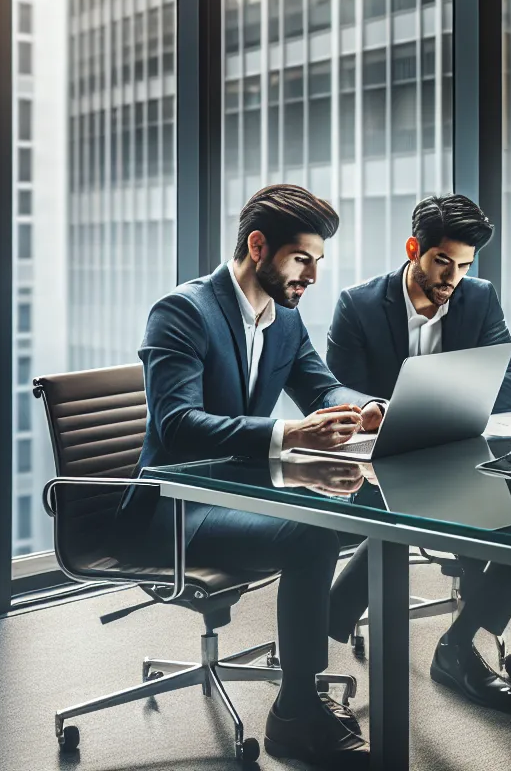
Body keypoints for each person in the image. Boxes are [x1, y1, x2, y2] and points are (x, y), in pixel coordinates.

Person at [119, 184, 384, 769]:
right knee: (311, 534)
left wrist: (369, 407)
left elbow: (321, 386)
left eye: (319, 262)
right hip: (175, 503)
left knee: (369, 512)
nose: (312, 275)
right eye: (302, 259)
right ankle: (295, 711)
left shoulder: (282, 318)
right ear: (258, 246)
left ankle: (313, 650)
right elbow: (179, 424)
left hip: (245, 488)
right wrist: (289, 434)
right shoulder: (183, 312)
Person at [322, 193, 511, 712]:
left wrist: (435, 398)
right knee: (487, 520)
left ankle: (454, 645)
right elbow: (330, 390)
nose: (452, 278)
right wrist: (379, 407)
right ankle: (357, 615)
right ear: (414, 248)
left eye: (463, 265)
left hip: (453, 455)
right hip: (379, 465)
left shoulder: (478, 297)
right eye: (443, 262)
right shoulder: (359, 305)